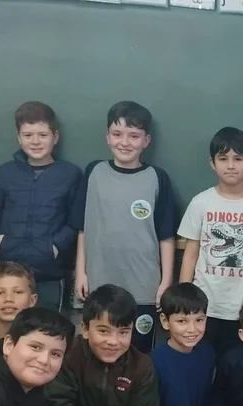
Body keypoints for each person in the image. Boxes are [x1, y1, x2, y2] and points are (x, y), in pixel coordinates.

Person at [72, 101, 176, 354]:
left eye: (134, 136)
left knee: (139, 355)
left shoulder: (157, 178)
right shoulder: (94, 172)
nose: (125, 142)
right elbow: (83, 228)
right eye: (117, 134)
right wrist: (80, 272)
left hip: (143, 287)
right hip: (99, 283)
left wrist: (165, 282)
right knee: (97, 352)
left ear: (146, 140)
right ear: (107, 137)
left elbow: (166, 236)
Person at [179, 127, 243, 359]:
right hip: (204, 306)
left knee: (236, 369)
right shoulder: (201, 202)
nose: (231, 165)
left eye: (238, 159)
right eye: (223, 158)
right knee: (202, 366)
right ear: (212, 163)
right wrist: (183, 298)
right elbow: (191, 253)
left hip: (242, 306)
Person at [0, 101, 82, 313]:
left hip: (49, 274)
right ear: (18, 137)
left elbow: (75, 222)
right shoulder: (6, 172)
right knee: (5, 338)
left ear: (55, 137)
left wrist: (54, 248)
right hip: (6, 272)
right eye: (28, 135)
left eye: (42, 135)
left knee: (44, 335)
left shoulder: (70, 174)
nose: (35, 141)